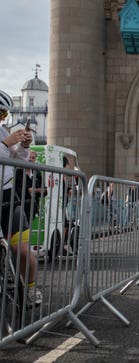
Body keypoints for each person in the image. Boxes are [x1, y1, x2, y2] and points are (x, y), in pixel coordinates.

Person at [0, 90, 42, 305]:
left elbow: (20, 159)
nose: (2, 118)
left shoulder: (2, 132)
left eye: (4, 114)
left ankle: (32, 288)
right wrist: (6, 144)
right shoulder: (4, 137)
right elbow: (4, 151)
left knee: (24, 251)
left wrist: (24, 145)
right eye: (0, 113)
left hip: (7, 198)